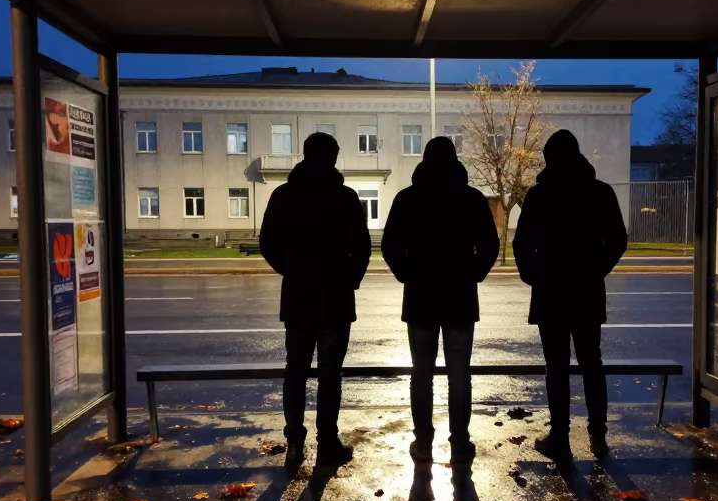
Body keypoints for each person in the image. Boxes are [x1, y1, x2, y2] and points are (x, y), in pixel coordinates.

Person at [382, 136, 499, 463]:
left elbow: (391, 245)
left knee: (422, 371)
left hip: (420, 296)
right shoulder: (472, 199)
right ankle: (460, 441)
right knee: (459, 372)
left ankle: (423, 440)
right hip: (460, 296)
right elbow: (489, 246)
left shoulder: (408, 198)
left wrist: (407, 273)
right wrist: (473, 273)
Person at [512, 130, 628, 460]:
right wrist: (597, 269)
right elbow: (617, 240)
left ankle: (560, 438)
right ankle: (597, 436)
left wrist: (533, 274)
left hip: (550, 291)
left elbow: (522, 243)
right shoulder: (600, 193)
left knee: (557, 367)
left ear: (549, 159)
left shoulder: (539, 195)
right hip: (587, 291)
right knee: (592, 362)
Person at [260, 132, 371, 467]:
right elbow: (362, 248)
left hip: (297, 296)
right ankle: (327, 442)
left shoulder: (283, 196)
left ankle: (294, 442)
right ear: (332, 157)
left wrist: (292, 271)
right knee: (329, 374)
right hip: (335, 298)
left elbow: (268, 243)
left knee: (295, 371)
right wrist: (349, 279)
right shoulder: (345, 198)